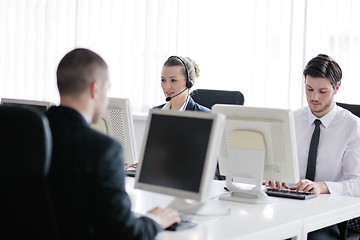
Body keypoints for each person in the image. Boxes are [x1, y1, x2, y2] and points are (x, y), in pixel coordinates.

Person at [46, 48, 180, 240]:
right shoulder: (102, 150)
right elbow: (123, 233)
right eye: (107, 90)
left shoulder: (26, 135)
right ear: (95, 89)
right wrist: (154, 220)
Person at [269, 53, 360, 240]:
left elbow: (357, 184)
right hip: (287, 209)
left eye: (322, 91)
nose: (314, 97)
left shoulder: (353, 127)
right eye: (309, 89)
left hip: (328, 216)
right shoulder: (291, 120)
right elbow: (275, 166)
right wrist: (273, 177)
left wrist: (322, 187)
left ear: (337, 88)